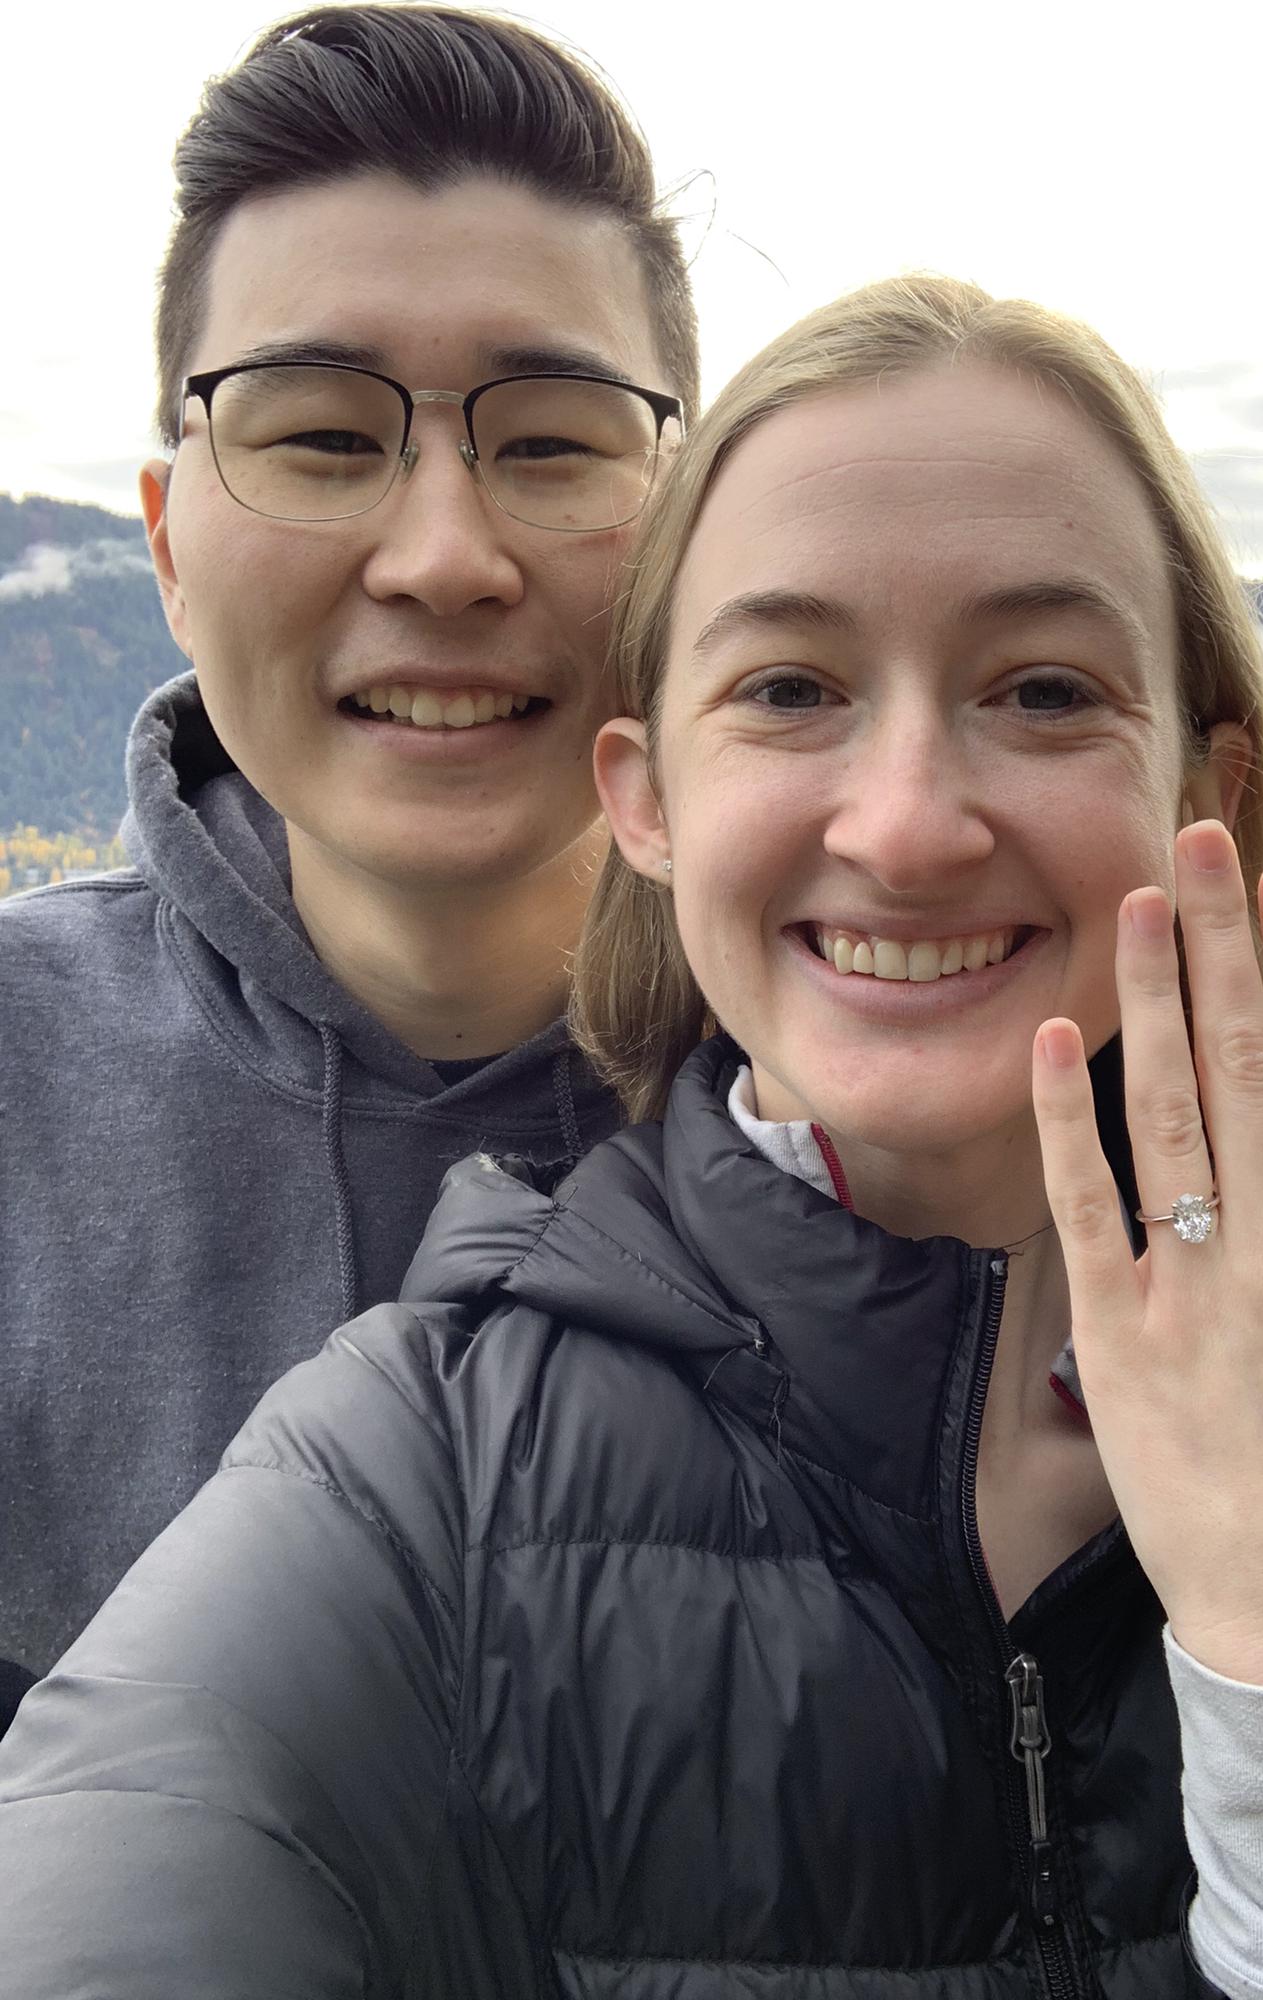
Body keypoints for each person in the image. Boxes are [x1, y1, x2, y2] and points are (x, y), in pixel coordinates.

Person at [2, 277, 1263, 1998]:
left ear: (1204, 788)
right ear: (644, 799)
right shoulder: (418, 1478)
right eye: (790, 690)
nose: (914, 823)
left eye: (1043, 691)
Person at [0, 3, 696, 1689]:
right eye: (320, 436)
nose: (443, 557)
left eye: (548, 440)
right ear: (167, 545)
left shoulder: (887, 1103)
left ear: (694, 526)